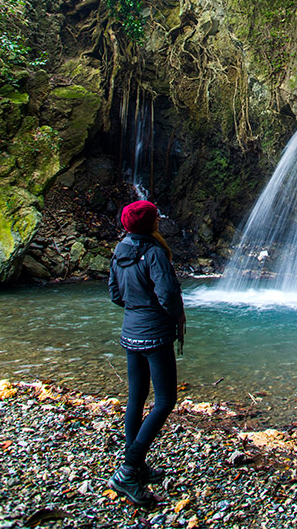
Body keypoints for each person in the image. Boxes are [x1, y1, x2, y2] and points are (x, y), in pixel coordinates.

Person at [108, 200, 185, 506]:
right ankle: (128, 470)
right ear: (153, 223)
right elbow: (167, 295)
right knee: (165, 401)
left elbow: (115, 294)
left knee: (137, 399)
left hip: (130, 332)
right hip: (155, 334)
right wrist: (175, 316)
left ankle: (135, 465)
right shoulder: (154, 253)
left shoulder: (120, 251)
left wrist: (137, 309)